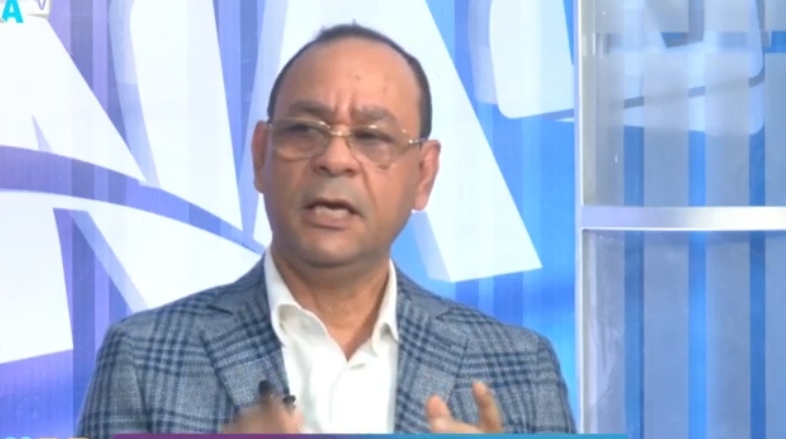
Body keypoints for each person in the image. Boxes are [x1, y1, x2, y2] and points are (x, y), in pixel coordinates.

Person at [76, 23, 576, 437]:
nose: (335, 158)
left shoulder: (519, 365)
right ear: (261, 155)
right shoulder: (143, 356)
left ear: (423, 174)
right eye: (305, 130)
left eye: (372, 137)